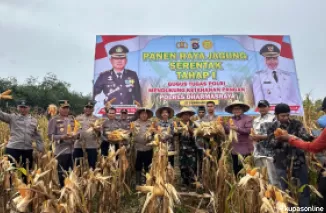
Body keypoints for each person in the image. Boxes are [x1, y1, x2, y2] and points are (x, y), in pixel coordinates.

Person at [265, 103, 313, 208]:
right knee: (285, 192)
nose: (286, 118)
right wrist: (278, 139)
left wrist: (292, 137)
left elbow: (305, 137)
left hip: (298, 162)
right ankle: (289, 210)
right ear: (276, 115)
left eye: (287, 115)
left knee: (304, 190)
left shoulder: (296, 124)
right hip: (281, 164)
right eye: (283, 116)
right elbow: (269, 144)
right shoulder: (272, 127)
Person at [1, 100, 44, 183]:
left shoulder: (33, 120)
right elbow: (1, 115)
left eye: (25, 107)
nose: (23, 109)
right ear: (17, 108)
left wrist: (40, 149)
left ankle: (26, 191)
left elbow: (37, 136)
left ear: (29, 108)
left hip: (27, 149)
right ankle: (8, 191)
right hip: (13, 148)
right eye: (21, 107)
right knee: (9, 171)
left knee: (26, 172)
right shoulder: (12, 117)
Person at [48, 100, 77, 187]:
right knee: (61, 174)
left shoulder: (72, 119)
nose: (66, 110)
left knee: (72, 174)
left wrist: (76, 136)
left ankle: (70, 191)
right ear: (59, 109)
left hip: (72, 151)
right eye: (63, 108)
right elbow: (50, 136)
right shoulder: (54, 120)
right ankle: (62, 190)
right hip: (60, 152)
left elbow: (78, 132)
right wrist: (62, 137)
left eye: (67, 108)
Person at [250, 100, 279, 186]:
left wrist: (261, 137)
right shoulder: (255, 120)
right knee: (261, 177)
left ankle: (276, 197)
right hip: (257, 152)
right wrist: (252, 137)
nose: (262, 108)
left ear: (268, 107)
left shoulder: (274, 118)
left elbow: (277, 134)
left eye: (264, 106)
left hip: (269, 153)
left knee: (272, 178)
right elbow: (253, 133)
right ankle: (264, 197)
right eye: (260, 107)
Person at [223, 101, 253, 176]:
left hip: (245, 149)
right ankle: (238, 186)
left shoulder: (248, 119)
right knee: (236, 170)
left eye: (238, 109)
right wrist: (223, 126)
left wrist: (237, 128)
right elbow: (227, 132)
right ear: (232, 111)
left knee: (247, 171)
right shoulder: (231, 119)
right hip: (234, 149)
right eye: (234, 109)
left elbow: (249, 130)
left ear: (242, 109)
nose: (236, 111)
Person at [73, 100, 100, 169]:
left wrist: (98, 130)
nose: (88, 109)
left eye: (90, 108)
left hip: (91, 145)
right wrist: (75, 135)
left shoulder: (96, 119)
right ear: (84, 108)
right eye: (87, 107)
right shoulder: (78, 118)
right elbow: (74, 130)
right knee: (77, 166)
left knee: (92, 166)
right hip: (79, 145)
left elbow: (100, 133)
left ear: (93, 109)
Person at [175, 107, 197, 186]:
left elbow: (196, 135)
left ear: (190, 115)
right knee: (183, 165)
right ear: (181, 116)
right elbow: (175, 134)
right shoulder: (178, 124)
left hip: (191, 149)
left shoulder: (193, 124)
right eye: (184, 115)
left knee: (192, 165)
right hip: (182, 149)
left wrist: (188, 128)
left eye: (187, 114)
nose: (186, 116)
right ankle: (184, 181)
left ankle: (192, 181)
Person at [132, 107, 154, 185]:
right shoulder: (134, 123)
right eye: (142, 114)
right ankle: (138, 182)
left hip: (148, 147)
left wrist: (152, 137)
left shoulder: (151, 123)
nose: (144, 115)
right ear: (139, 115)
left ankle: (147, 182)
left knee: (148, 165)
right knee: (138, 165)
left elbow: (155, 134)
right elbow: (129, 134)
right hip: (138, 148)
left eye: (145, 114)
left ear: (147, 115)